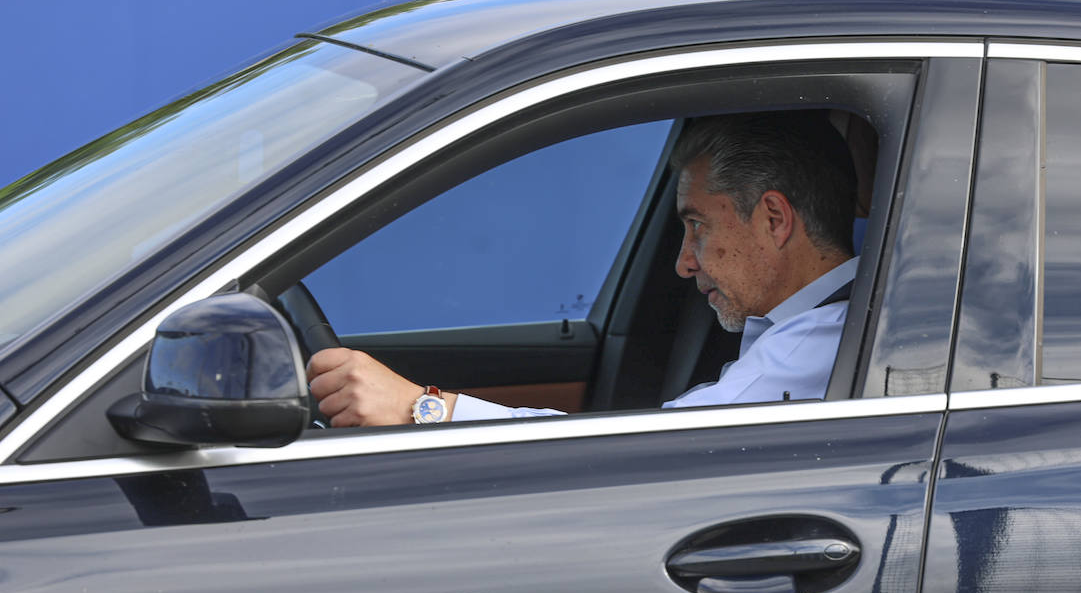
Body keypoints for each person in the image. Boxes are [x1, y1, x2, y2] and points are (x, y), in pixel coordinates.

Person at [306, 111, 860, 426]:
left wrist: (421, 409)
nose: (684, 262)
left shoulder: (807, 352)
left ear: (773, 219)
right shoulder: (831, 328)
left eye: (698, 227)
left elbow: (636, 455)